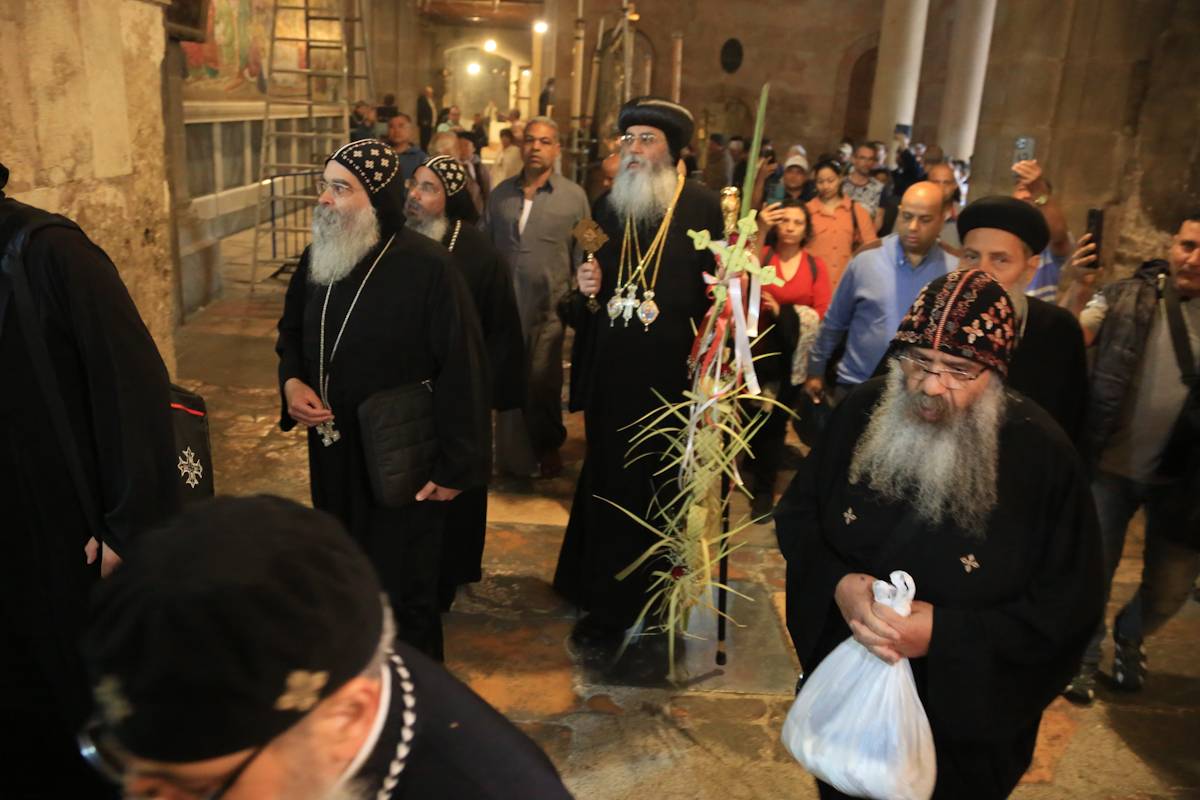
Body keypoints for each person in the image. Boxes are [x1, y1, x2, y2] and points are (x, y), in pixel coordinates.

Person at [776, 269, 1103, 799]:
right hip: (849, 709)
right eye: (919, 362)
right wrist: (838, 585)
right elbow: (800, 516)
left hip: (964, 730)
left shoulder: (1040, 456)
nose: (930, 386)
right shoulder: (863, 411)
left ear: (994, 371)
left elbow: (1067, 607)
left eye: (958, 369)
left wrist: (944, 637)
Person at [80, 495, 575, 799]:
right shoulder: (309, 688)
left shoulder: (493, 788)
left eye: (197, 792)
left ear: (346, 719)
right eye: (137, 777)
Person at [0, 161, 180, 796]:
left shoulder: (50, 254)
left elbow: (132, 391)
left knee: (79, 710)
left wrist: (128, 530)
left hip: (63, 541)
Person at [275, 139, 490, 660]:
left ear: (376, 199)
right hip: (331, 447)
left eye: (340, 188)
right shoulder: (319, 254)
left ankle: (414, 697)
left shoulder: (429, 266)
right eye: (324, 185)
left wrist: (458, 464)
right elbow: (290, 332)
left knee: (403, 588)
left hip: (402, 457)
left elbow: (464, 366)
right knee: (342, 571)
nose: (324, 199)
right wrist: (292, 383)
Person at [554, 96, 725, 645]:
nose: (632, 149)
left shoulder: (701, 208)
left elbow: (722, 297)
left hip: (669, 382)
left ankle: (656, 601)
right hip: (610, 378)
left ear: (676, 153)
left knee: (659, 488)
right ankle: (603, 599)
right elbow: (578, 286)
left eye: (645, 139)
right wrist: (581, 292)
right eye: (626, 139)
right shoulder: (601, 211)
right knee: (607, 481)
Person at [1059, 210, 1200, 704]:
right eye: (1187, 244)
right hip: (1112, 469)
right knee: (1094, 570)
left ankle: (1132, 631)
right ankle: (1085, 654)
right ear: (1171, 243)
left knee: (1170, 589)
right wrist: (1078, 284)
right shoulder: (1125, 296)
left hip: (1184, 483)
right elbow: (1070, 337)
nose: (1193, 258)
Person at [404, 155, 526, 609]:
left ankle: (450, 572)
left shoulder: (477, 252)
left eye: (429, 188)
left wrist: (485, 396)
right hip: (411, 393)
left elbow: (501, 328)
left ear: (450, 198)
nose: (415, 196)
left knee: (455, 486)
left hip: (461, 391)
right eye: (414, 185)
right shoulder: (400, 241)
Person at [483, 116, 590, 479]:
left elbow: (591, 247)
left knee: (541, 382)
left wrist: (586, 285)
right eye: (530, 140)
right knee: (506, 380)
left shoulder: (574, 197)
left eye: (545, 141)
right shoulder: (501, 195)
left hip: (549, 308)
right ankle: (510, 454)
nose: (536, 148)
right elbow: (485, 245)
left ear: (556, 149)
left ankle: (547, 446)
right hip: (505, 308)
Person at [956, 196, 1089, 450]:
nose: (981, 274)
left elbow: (1070, 428)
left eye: (1000, 260)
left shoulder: (1059, 331)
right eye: (971, 257)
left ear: (1030, 268)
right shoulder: (933, 318)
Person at [806, 181, 956, 404]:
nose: (913, 226)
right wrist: (815, 370)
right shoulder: (867, 259)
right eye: (907, 217)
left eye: (924, 219)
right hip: (856, 385)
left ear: (943, 217)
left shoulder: (954, 268)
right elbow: (835, 321)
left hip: (920, 395)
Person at [746, 199, 832, 515]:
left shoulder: (814, 266)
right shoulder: (764, 257)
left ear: (806, 229)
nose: (791, 227)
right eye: (786, 221)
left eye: (798, 222)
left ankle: (763, 489)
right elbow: (743, 277)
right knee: (752, 418)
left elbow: (823, 312)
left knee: (776, 422)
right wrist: (762, 227)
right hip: (758, 352)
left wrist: (785, 313)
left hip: (791, 358)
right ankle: (753, 469)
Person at [804, 158, 879, 289]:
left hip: (846, 285)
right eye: (820, 182)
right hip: (812, 284)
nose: (826, 186)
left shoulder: (857, 211)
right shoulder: (806, 211)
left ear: (840, 179)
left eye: (831, 181)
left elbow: (871, 248)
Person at [1012, 160, 1072, 301]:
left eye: (1031, 191)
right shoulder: (1000, 236)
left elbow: (1058, 235)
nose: (1027, 195)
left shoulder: (1047, 242)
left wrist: (1039, 191)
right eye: (1022, 189)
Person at [843, 142, 887, 231]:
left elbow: (878, 221)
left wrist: (866, 241)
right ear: (853, 159)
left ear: (874, 162)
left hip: (864, 238)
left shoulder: (879, 189)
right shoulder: (840, 184)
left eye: (870, 159)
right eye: (862, 158)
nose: (866, 163)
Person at [384, 112, 426, 181]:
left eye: (401, 126)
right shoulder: (382, 154)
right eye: (391, 126)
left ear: (410, 130)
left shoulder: (421, 158)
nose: (396, 130)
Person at [416, 85, 437, 151]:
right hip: (425, 123)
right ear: (426, 93)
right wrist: (423, 121)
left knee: (428, 138)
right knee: (424, 138)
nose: (431, 94)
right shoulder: (422, 100)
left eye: (431, 93)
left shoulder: (430, 100)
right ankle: (423, 151)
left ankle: (426, 150)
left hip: (430, 123)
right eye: (430, 92)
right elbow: (421, 110)